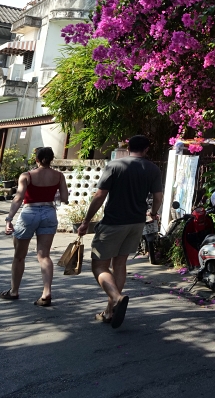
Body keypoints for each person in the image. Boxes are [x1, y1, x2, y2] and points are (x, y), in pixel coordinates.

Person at [78, 135, 163, 329]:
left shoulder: (115, 165)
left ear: (128, 147)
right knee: (120, 264)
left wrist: (86, 221)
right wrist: (153, 213)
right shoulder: (152, 169)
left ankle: (116, 297)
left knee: (99, 266)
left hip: (113, 223)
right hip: (136, 223)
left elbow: (100, 196)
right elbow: (158, 196)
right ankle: (109, 311)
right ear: (147, 149)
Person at [0, 147, 68, 306]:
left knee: (19, 255)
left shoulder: (27, 176)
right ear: (51, 159)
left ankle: (14, 291)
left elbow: (18, 198)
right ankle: (46, 293)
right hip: (49, 213)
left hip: (29, 212)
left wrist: (9, 219)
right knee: (44, 255)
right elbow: (64, 197)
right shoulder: (59, 176)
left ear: (36, 159)